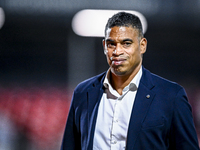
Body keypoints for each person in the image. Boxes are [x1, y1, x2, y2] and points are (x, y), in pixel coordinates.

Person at [61, 12, 200, 150]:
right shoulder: (83, 93)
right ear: (104, 46)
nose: (117, 51)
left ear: (142, 45)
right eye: (111, 44)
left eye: (126, 43)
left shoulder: (171, 96)